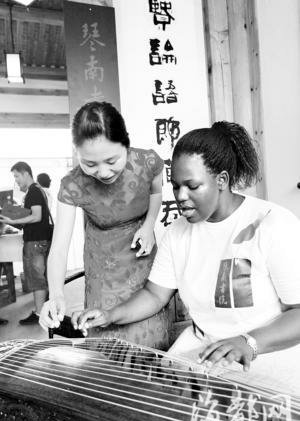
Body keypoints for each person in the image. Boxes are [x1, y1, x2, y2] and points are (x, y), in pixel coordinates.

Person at [71, 121, 300, 394]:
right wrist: (110, 314)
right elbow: (155, 296)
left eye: (192, 186)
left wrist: (248, 343)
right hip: (203, 351)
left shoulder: (272, 224)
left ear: (222, 180)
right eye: (176, 186)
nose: (181, 197)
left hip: (265, 352)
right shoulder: (178, 233)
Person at [39, 101, 170, 349]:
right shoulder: (72, 184)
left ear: (126, 145)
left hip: (141, 256)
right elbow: (58, 249)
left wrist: (149, 224)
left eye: (112, 160)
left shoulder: (147, 162)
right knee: (104, 333)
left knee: (150, 332)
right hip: (102, 265)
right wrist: (56, 294)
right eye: (90, 164)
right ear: (77, 153)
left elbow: (155, 193)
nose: (103, 172)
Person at [0, 162, 53, 324]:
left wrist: (11, 218)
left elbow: (36, 216)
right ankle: (41, 311)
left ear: (25, 173)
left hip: (35, 241)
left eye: (17, 176)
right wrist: (12, 219)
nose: (16, 181)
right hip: (40, 239)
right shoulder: (36, 190)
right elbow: (32, 218)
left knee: (37, 280)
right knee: (40, 278)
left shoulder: (33, 192)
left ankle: (38, 314)